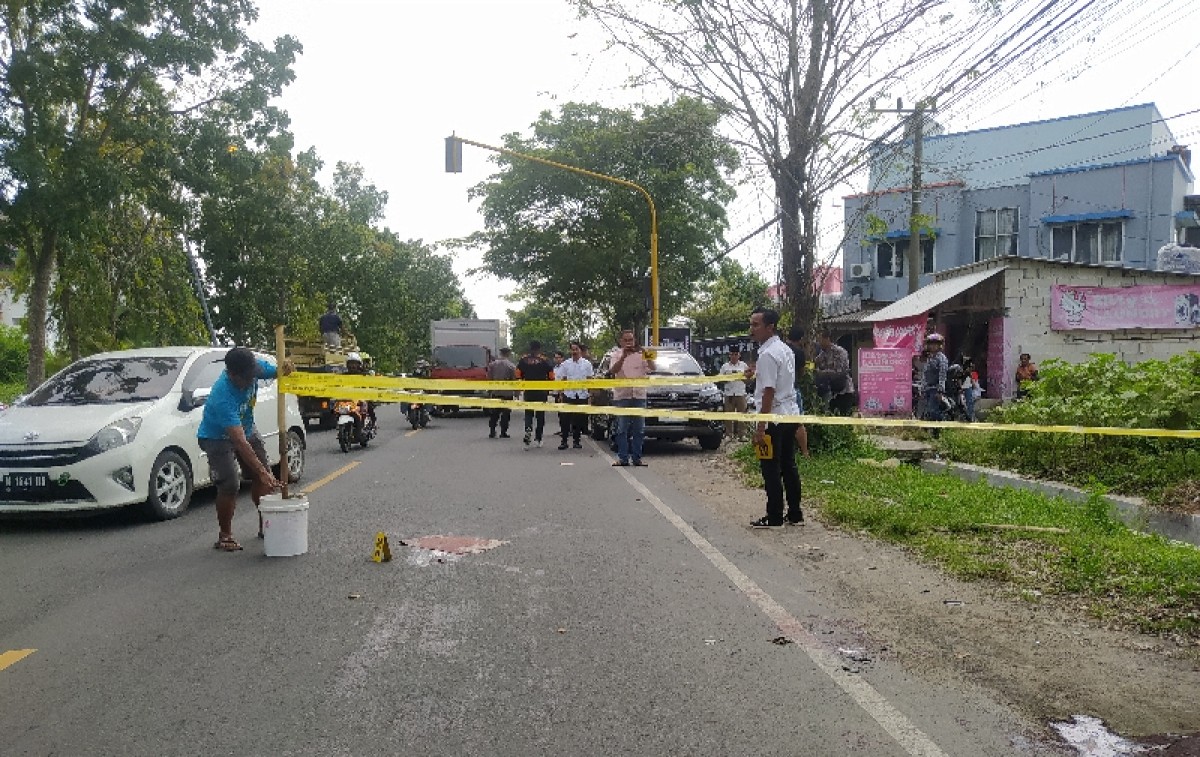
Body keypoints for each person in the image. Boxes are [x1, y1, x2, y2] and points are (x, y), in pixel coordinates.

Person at [197, 347, 290, 552]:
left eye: (253, 375)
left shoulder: (255, 369)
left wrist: (286, 368)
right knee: (230, 483)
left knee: (263, 478)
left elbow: (278, 371)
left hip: (247, 429)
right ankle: (225, 536)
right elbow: (238, 441)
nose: (251, 381)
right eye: (246, 378)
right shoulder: (223, 395)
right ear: (232, 374)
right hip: (217, 437)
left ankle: (266, 526)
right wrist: (262, 472)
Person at [746, 307, 802, 528]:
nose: (752, 330)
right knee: (789, 465)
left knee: (770, 467)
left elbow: (768, 391)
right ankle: (795, 513)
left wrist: (761, 426)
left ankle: (775, 515)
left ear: (770, 327)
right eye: (751, 324)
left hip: (774, 418)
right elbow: (779, 379)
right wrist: (757, 371)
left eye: (756, 325)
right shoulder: (784, 349)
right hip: (790, 415)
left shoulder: (768, 354)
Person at [608, 329, 655, 467]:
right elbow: (613, 370)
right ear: (621, 341)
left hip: (639, 395)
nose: (629, 342)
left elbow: (653, 367)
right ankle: (623, 458)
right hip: (622, 396)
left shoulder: (643, 353)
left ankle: (637, 458)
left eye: (631, 340)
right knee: (622, 429)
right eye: (626, 340)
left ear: (635, 340)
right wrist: (623, 356)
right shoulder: (616, 354)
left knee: (639, 429)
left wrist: (644, 352)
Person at [555, 340, 594, 449]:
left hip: (582, 395)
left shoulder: (587, 364)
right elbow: (562, 379)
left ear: (580, 350)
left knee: (579, 419)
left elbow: (590, 379)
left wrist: (590, 395)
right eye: (572, 349)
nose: (574, 351)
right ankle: (564, 441)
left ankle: (576, 441)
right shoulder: (565, 364)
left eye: (576, 349)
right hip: (569, 394)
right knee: (565, 419)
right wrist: (561, 393)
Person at [516, 340, 555, 448]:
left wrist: (522, 383)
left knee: (528, 413)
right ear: (539, 349)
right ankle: (538, 438)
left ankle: (528, 428)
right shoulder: (545, 361)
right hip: (542, 392)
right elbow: (552, 376)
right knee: (540, 416)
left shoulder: (523, 360)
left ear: (530, 348)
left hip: (528, 391)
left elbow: (517, 374)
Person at [784, 326, 811, 458]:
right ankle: (805, 453)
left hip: (777, 391)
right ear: (800, 339)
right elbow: (801, 372)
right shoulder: (799, 353)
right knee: (799, 422)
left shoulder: (780, 349)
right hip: (793, 389)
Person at [814, 331, 854, 415]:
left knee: (844, 417)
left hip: (844, 391)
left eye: (820, 340)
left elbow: (840, 371)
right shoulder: (822, 354)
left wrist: (822, 373)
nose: (818, 342)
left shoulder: (839, 352)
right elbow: (816, 364)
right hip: (830, 391)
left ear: (827, 339)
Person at [486, 346, 517, 438]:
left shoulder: (492, 365)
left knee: (494, 413)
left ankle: (492, 431)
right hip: (507, 393)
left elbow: (489, 378)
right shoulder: (511, 366)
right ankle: (503, 432)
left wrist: (490, 390)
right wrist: (516, 392)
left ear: (500, 353)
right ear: (508, 354)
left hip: (495, 392)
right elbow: (514, 380)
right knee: (506, 414)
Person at [718, 348, 750, 439]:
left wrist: (743, 378)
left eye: (736, 354)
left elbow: (749, 379)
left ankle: (742, 434)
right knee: (728, 415)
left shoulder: (744, 366)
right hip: (729, 393)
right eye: (732, 354)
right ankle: (728, 434)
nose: (734, 356)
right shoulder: (725, 366)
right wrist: (728, 377)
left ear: (739, 355)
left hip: (740, 393)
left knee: (742, 414)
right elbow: (720, 379)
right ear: (729, 355)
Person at [921, 333, 949, 434]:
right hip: (927, 389)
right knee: (928, 411)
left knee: (933, 411)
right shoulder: (929, 358)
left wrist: (940, 391)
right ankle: (933, 432)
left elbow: (942, 375)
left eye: (935, 344)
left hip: (935, 389)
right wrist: (922, 388)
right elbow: (925, 374)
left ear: (940, 345)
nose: (933, 346)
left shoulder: (942, 359)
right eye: (931, 344)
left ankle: (941, 428)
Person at [344, 351, 377, 431]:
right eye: (350, 363)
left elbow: (371, 384)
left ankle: (372, 423)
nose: (352, 366)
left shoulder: (364, 374)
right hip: (348, 397)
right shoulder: (343, 375)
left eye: (354, 363)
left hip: (361, 397)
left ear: (359, 364)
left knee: (369, 406)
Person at [961, 357, 982, 422]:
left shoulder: (969, 372)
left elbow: (973, 382)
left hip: (967, 388)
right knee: (967, 403)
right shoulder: (962, 370)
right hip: (965, 388)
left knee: (969, 403)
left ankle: (970, 417)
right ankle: (969, 417)